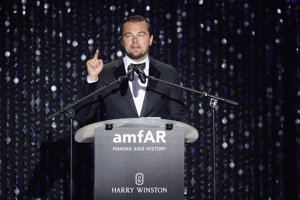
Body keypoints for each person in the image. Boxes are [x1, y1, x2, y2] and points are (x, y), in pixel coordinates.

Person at [75, 15, 190, 125]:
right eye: (129, 35)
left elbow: (179, 116)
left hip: (157, 144)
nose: (135, 41)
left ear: (150, 39)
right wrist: (92, 78)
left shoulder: (168, 73)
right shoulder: (105, 72)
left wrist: (181, 141)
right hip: (117, 144)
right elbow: (82, 115)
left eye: (141, 35)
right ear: (122, 41)